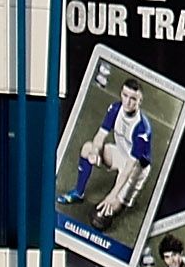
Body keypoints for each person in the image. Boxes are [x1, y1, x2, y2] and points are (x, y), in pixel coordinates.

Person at [61, 79, 157, 227]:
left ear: (140, 101)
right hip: (120, 153)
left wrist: (112, 196)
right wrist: (95, 151)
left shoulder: (142, 129)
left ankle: (120, 202)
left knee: (108, 211)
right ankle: (78, 193)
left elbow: (129, 168)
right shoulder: (115, 109)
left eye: (133, 99)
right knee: (87, 148)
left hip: (136, 169)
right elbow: (100, 136)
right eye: (125, 95)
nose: (127, 102)